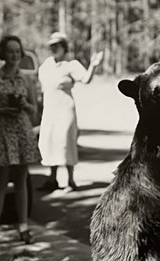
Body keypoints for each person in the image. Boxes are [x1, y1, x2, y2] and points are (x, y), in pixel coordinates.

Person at [0, 35, 40, 247]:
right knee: (0, 182)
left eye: (18, 51)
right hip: (3, 130)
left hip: (21, 131)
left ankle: (24, 227)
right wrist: (0, 109)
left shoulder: (26, 79)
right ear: (3, 53)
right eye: (10, 51)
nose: (14, 55)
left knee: (21, 181)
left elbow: (34, 110)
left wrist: (24, 106)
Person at [38, 32, 103, 192]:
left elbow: (86, 79)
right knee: (49, 142)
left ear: (64, 47)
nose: (54, 49)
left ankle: (70, 181)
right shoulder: (46, 65)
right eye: (52, 46)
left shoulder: (71, 65)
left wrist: (93, 65)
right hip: (50, 110)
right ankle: (52, 180)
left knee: (66, 142)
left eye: (57, 46)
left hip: (65, 109)